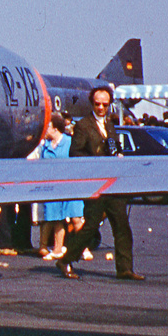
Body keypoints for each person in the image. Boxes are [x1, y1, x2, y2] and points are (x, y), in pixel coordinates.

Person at [56, 86, 143, 280]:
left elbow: (114, 146)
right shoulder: (83, 125)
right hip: (96, 184)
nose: (101, 108)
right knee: (91, 226)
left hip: (112, 183)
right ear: (92, 104)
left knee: (122, 225)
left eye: (105, 104)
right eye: (97, 104)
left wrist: (119, 153)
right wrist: (96, 158)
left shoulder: (110, 125)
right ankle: (66, 259)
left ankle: (125, 268)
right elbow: (75, 153)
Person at [35, 114, 79, 260]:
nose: (44, 130)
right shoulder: (45, 146)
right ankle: (54, 248)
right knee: (52, 218)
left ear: (54, 128)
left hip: (67, 186)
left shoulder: (69, 142)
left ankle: (79, 248)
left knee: (74, 218)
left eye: (47, 127)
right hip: (50, 186)